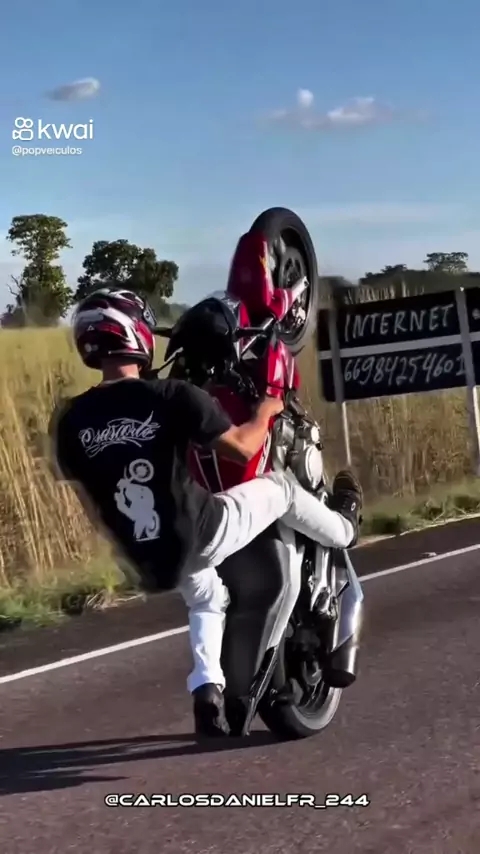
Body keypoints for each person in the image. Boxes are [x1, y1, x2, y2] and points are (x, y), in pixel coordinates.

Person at [49, 287, 363, 738]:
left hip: (146, 556)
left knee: (209, 598)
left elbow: (86, 494)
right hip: (203, 530)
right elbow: (242, 449)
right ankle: (345, 529)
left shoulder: (70, 420)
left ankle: (207, 691)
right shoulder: (171, 395)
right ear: (137, 334)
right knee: (282, 490)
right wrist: (266, 409)